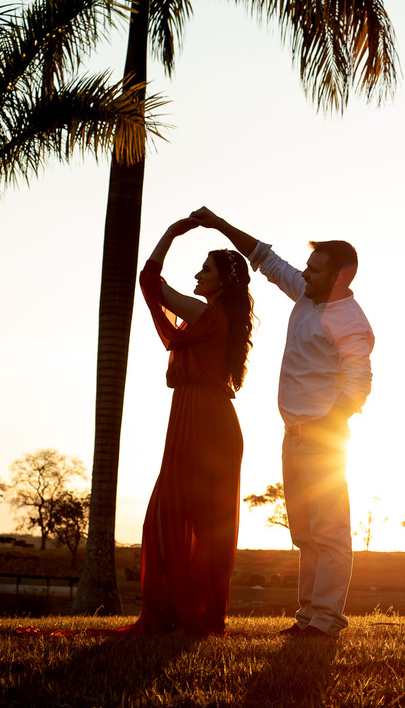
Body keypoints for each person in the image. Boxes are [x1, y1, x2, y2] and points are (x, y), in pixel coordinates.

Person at [191, 206, 374, 639]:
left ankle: (326, 621)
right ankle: (308, 616)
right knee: (307, 534)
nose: (304, 273)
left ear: (339, 277)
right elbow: (266, 259)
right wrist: (219, 224)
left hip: (323, 438)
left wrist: (326, 425)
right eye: (307, 267)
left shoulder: (351, 322)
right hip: (293, 436)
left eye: (314, 269)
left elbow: (360, 382)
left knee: (329, 533)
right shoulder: (307, 295)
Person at [127, 216, 255, 636]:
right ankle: (186, 611)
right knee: (171, 515)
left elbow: (149, 281)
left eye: (206, 270)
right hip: (194, 415)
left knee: (196, 519)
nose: (198, 275)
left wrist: (172, 233)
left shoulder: (207, 314)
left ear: (222, 283)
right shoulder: (205, 318)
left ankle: (199, 615)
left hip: (206, 422)